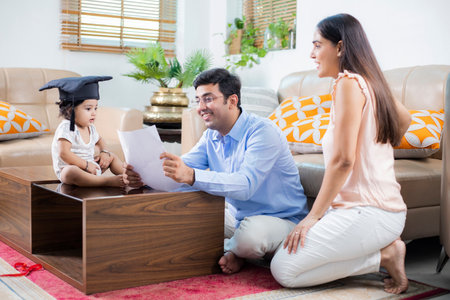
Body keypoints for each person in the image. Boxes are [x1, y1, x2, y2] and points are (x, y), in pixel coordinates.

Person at [270, 14, 412, 294]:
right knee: (287, 259)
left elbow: (344, 159)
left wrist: (313, 216)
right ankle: (383, 253)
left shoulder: (348, 83)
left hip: (370, 212)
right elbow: (405, 120)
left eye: (317, 45)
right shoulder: (370, 82)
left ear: (340, 47)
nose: (312, 54)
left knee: (284, 269)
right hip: (373, 211)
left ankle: (385, 256)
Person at [123, 68, 309, 274]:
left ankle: (236, 250)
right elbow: (181, 169)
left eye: (208, 99)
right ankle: (236, 250)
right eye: (198, 101)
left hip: (282, 220)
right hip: (238, 219)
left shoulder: (263, 132)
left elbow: (245, 185)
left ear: (232, 101)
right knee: (178, 213)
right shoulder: (211, 136)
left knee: (250, 237)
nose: (201, 108)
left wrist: (192, 175)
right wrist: (143, 177)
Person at [39, 76, 125, 187]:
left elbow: (100, 141)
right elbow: (64, 153)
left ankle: (129, 177)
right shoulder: (66, 128)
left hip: (92, 167)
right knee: (69, 172)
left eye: (96, 108)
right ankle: (105, 182)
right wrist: (86, 165)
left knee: (111, 156)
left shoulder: (91, 127)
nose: (94, 113)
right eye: (88, 109)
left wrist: (104, 152)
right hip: (75, 169)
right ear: (70, 109)